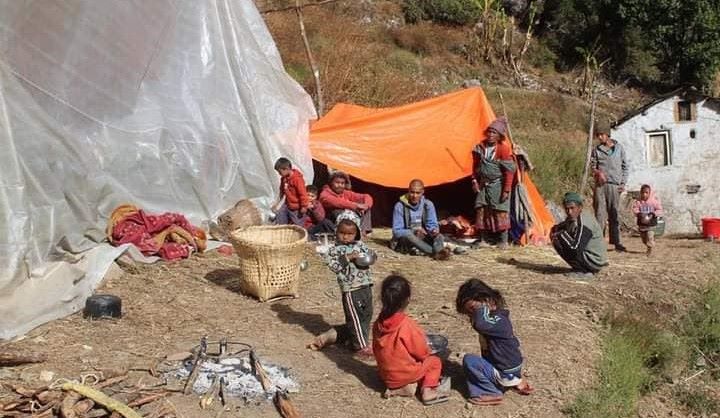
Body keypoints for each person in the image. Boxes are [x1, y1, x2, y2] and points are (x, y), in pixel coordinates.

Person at [308, 210, 375, 360]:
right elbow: (334, 266)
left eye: (350, 234)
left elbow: (370, 255)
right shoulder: (334, 250)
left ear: (357, 233)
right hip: (351, 289)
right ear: (336, 231)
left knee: (366, 316)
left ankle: (351, 339)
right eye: (342, 233)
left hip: (366, 285)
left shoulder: (360, 245)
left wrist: (371, 257)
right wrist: (347, 257)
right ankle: (360, 347)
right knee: (355, 318)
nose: (346, 236)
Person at [456, 279, 533, 406]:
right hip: (508, 369)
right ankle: (512, 381)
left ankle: (490, 392)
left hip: (506, 371)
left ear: (488, 300)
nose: (472, 316)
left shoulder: (498, 321)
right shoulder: (494, 319)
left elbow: (480, 324)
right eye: (469, 313)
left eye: (473, 309)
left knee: (470, 360)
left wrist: (481, 308)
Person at [373, 275, 448, 405]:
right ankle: (428, 391)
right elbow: (421, 352)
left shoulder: (378, 324)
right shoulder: (407, 325)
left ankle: (401, 387)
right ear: (407, 300)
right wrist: (428, 351)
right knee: (434, 362)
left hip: (386, 376)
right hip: (404, 374)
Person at [472, 117, 516, 249]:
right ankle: (483, 239)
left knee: (500, 210)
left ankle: (503, 240)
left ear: (499, 136)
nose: (490, 135)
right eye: (489, 132)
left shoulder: (503, 149)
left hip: (498, 185)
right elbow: (475, 166)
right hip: (483, 184)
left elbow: (509, 171)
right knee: (482, 210)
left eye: (494, 132)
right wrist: (474, 180)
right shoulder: (481, 147)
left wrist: (506, 189)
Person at [551, 192, 609, 279]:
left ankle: (584, 270)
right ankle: (580, 268)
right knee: (557, 235)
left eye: (572, 208)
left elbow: (576, 248)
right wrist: (555, 230)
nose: (569, 212)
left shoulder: (584, 222)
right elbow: (562, 226)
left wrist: (561, 234)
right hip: (588, 257)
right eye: (567, 209)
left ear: (580, 207)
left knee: (560, 237)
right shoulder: (573, 218)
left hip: (594, 261)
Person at [391, 179, 451, 260]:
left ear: (422, 192)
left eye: (418, 193)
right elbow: (396, 231)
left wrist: (433, 230)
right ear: (408, 191)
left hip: (422, 239)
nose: (414, 196)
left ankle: (439, 252)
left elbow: (432, 225)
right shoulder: (400, 206)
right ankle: (435, 253)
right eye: (412, 192)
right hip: (406, 240)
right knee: (409, 235)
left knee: (439, 236)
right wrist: (414, 231)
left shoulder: (428, 205)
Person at [590, 127, 629, 252]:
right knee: (600, 214)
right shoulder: (596, 150)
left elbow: (625, 167)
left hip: (615, 185)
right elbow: (592, 166)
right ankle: (598, 242)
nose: (599, 137)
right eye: (598, 135)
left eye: (601, 135)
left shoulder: (619, 149)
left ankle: (617, 242)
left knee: (614, 213)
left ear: (607, 135)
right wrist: (598, 172)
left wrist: (622, 183)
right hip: (600, 185)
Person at [319, 171, 374, 235]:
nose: (340, 185)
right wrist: (355, 206)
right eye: (337, 182)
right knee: (337, 210)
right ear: (331, 183)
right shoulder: (325, 193)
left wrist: (366, 206)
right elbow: (337, 202)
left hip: (349, 218)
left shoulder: (346, 193)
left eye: (342, 183)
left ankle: (363, 231)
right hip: (332, 222)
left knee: (366, 208)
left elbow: (366, 196)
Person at [272, 158, 310, 226]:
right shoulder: (284, 179)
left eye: (280, 172)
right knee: (280, 216)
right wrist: (276, 203)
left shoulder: (297, 179)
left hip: (296, 207)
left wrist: (304, 206)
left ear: (286, 168)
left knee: (298, 224)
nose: (279, 174)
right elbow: (282, 191)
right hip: (287, 204)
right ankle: (281, 229)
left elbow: (303, 194)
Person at [632, 184, 663, 256]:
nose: (644, 194)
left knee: (649, 236)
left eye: (646, 193)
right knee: (644, 239)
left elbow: (659, 210)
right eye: (642, 192)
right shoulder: (638, 202)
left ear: (650, 193)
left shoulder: (654, 201)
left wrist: (653, 214)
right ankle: (648, 244)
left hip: (650, 224)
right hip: (642, 224)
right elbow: (635, 209)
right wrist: (639, 214)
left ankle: (650, 248)